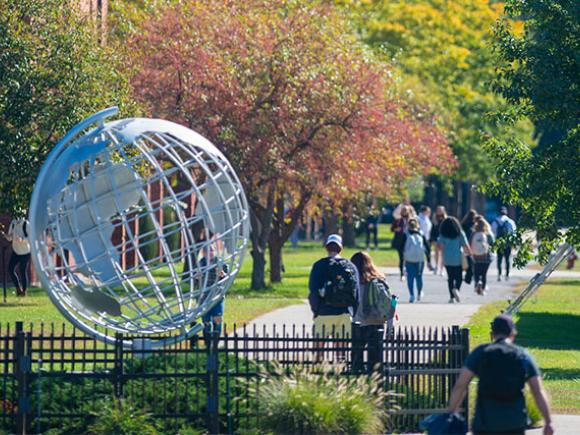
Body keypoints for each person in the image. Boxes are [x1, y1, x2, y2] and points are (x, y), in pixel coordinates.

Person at [448, 314, 553, 435]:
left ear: (492, 334)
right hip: (514, 422)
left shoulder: (480, 353)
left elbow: (461, 385)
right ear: (513, 333)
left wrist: (450, 413)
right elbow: (537, 391)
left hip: (485, 423)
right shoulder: (522, 356)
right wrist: (548, 422)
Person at [308, 234, 359, 360]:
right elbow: (356, 293)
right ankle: (339, 374)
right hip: (344, 313)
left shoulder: (319, 265)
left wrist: (316, 310)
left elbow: (313, 291)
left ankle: (318, 373)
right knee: (341, 352)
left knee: (318, 349)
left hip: (324, 311)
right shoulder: (350, 266)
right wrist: (353, 312)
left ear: (327, 248)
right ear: (341, 248)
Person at [350, 251, 396, 373]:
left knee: (356, 359)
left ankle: (357, 381)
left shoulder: (353, 282)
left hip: (358, 323)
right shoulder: (379, 280)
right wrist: (390, 329)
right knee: (376, 360)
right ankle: (376, 385)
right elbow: (391, 303)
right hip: (377, 322)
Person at [437, 216, 472, 303]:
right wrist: (470, 254)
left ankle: (452, 297)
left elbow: (440, 247)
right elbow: (465, 246)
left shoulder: (443, 235)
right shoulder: (460, 233)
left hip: (447, 259)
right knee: (459, 277)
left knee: (450, 278)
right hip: (458, 258)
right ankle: (456, 289)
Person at [1, 213, 31, 297]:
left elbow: (31, 238)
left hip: (25, 252)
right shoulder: (13, 223)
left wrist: (22, 239)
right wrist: (5, 235)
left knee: (22, 271)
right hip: (16, 251)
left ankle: (24, 292)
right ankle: (18, 289)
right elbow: (10, 237)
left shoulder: (26, 224)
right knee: (10, 269)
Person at [403, 218, 430, 303]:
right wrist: (429, 260)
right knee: (419, 276)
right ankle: (419, 293)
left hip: (409, 259)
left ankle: (411, 295)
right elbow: (427, 248)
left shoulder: (405, 235)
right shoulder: (421, 234)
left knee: (410, 277)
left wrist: (402, 261)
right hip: (420, 259)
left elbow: (401, 247)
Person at [471, 217, 495, 295]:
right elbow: (493, 244)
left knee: (476, 272)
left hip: (476, 256)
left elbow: (470, 243)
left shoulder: (473, 234)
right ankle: (483, 288)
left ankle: (477, 282)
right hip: (486, 257)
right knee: (484, 273)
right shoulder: (489, 234)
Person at [491, 206, 516, 281]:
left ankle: (499, 274)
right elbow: (513, 233)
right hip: (507, 243)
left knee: (499, 259)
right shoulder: (510, 221)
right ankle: (507, 274)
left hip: (499, 243)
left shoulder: (495, 222)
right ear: (506, 212)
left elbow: (493, 233)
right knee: (507, 259)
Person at [391, 205, 413, 280]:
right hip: (400, 241)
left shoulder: (412, 221)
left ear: (409, 211)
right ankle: (402, 273)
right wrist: (397, 229)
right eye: (403, 210)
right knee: (401, 258)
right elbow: (392, 229)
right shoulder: (398, 220)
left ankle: (408, 271)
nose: (404, 212)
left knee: (408, 257)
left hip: (410, 241)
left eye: (406, 210)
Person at [461, 209, 478, 285]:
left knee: (467, 260)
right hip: (472, 244)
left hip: (465, 244)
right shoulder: (475, 224)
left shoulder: (463, 224)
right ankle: (470, 277)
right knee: (472, 262)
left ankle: (467, 276)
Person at [430, 206, 447, 275]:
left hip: (444, 237)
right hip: (436, 237)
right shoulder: (434, 218)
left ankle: (442, 269)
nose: (439, 211)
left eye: (440, 210)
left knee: (443, 253)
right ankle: (436, 266)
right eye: (438, 210)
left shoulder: (445, 218)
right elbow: (433, 229)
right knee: (436, 252)